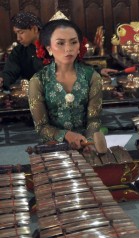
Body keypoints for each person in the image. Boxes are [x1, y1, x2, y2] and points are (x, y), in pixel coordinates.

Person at [28, 19, 102, 151]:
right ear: (49, 48)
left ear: (80, 45)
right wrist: (66, 135)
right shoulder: (38, 80)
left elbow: (94, 120)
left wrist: (89, 142)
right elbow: (41, 127)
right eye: (60, 43)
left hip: (86, 145)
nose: (68, 49)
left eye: (73, 42)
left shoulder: (92, 77)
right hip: (54, 147)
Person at [0, 12, 43, 90]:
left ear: (35, 29)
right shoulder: (19, 51)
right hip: (30, 94)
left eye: (21, 32)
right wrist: (2, 79)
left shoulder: (53, 46)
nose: (18, 38)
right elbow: (10, 72)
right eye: (16, 33)